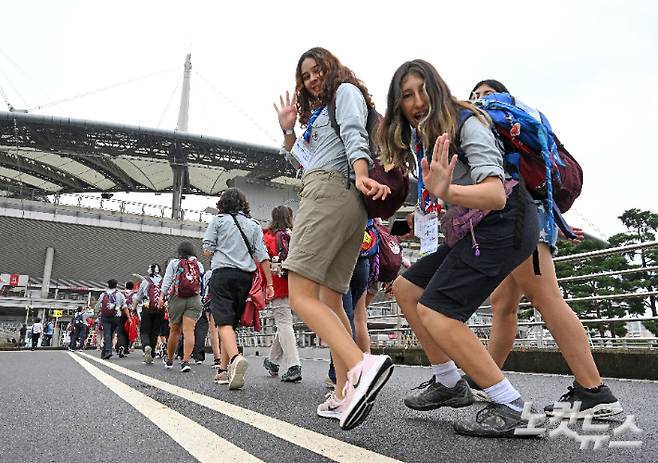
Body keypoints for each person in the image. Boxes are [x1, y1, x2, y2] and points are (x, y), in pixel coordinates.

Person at [383, 60, 540, 437]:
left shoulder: (466, 122)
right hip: (474, 228)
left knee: (438, 312)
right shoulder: (426, 136)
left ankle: (511, 405)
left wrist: (447, 191)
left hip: (506, 223)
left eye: (423, 90)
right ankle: (450, 382)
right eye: (407, 95)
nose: (417, 101)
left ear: (437, 89)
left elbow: (493, 194)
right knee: (407, 289)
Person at [467, 79, 623, 418]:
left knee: (546, 297)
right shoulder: (521, 130)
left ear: (503, 98)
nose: (480, 99)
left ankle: (594, 391)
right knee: (503, 305)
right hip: (525, 215)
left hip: (519, 217)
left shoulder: (502, 122)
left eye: (486, 94)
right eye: (475, 95)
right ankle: (485, 378)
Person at [273, 47, 394, 430]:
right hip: (340, 197)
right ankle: (344, 390)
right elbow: (304, 160)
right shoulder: (322, 113)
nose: (311, 79)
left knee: (300, 295)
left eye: (316, 70)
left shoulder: (345, 93)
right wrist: (289, 130)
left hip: (329, 193)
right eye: (305, 75)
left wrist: (360, 173)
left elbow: (356, 136)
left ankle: (360, 367)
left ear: (332, 67)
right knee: (329, 298)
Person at [202, 188, 274, 389]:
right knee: (231, 326)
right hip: (245, 277)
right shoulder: (254, 225)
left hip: (222, 274)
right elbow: (262, 255)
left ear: (222, 204)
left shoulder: (218, 221)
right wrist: (269, 284)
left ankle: (235, 358)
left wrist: (221, 247)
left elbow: (207, 250)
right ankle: (223, 371)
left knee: (222, 323)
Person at [261, 205, 302, 383]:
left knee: (284, 323)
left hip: (278, 285)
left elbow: (262, 262)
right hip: (296, 284)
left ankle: (294, 366)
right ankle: (272, 361)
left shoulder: (268, 236)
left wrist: (265, 285)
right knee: (284, 322)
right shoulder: (296, 235)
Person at [160, 241, 205, 373]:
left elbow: (167, 280)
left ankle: (169, 359)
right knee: (189, 331)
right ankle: (185, 361)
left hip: (177, 298)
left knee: (174, 331)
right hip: (195, 299)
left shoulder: (174, 263)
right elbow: (201, 282)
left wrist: (162, 296)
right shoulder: (199, 264)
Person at [133, 264, 164, 364]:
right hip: (160, 308)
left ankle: (146, 346)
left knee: (144, 330)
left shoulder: (145, 281)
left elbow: (138, 297)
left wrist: (133, 308)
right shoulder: (164, 281)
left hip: (147, 308)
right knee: (155, 332)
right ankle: (153, 353)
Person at [96, 279, 126, 360]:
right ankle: (106, 350)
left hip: (105, 316)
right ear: (116, 285)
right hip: (116, 316)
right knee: (111, 333)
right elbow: (124, 306)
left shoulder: (103, 294)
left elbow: (98, 305)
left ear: (107, 285)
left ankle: (108, 351)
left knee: (107, 333)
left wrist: (97, 314)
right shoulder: (119, 294)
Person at [116, 281, 137, 357]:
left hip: (121, 314)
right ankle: (126, 348)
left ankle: (120, 346)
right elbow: (136, 305)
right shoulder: (134, 295)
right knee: (128, 331)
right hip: (130, 314)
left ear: (125, 286)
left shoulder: (121, 294)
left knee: (121, 331)